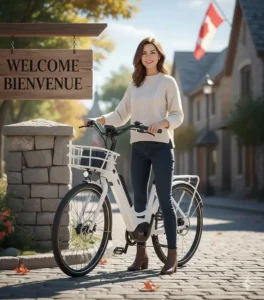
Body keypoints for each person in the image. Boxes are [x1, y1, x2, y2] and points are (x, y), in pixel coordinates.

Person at [84, 37, 184, 275]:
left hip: (161, 146)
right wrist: (99, 119)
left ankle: (172, 256)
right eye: (144, 53)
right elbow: (121, 114)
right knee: (138, 199)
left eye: (152, 52)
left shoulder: (167, 82)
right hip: (138, 147)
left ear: (159, 55)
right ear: (139, 57)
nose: (148, 56)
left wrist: (163, 123)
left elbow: (178, 115)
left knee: (164, 197)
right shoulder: (135, 84)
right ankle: (141, 255)